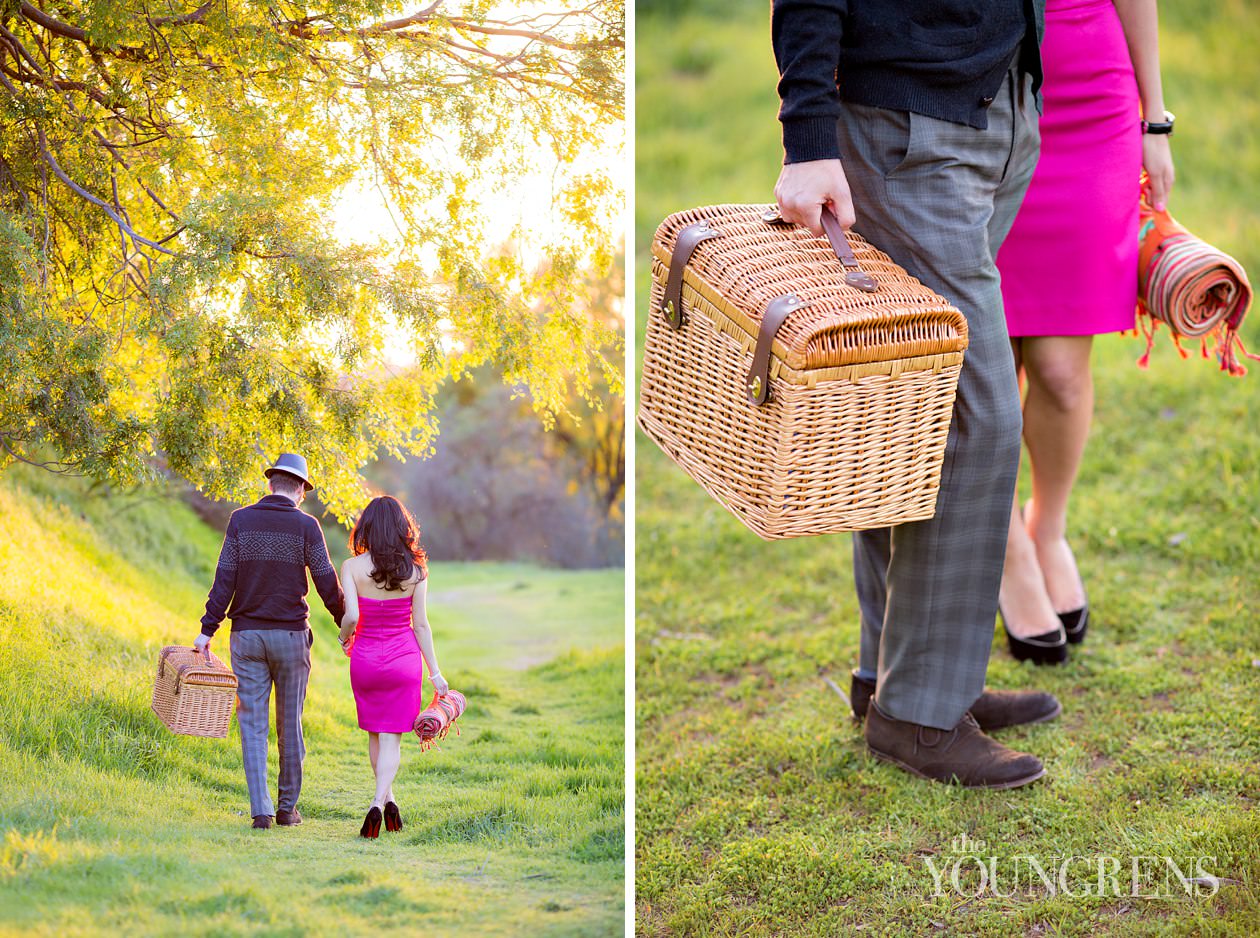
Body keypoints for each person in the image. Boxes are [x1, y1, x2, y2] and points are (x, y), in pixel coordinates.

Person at [771, 0, 1062, 788]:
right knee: (981, 419)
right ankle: (920, 714)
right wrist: (808, 137)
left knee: (915, 411)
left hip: (998, 110)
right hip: (907, 131)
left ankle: (895, 676)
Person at [995, 0, 1174, 664]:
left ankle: (1049, 529)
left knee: (1063, 376)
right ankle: (1006, 544)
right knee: (987, 366)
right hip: (979, 83)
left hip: (1091, 94)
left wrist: (1154, 118)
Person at [196, 453, 345, 829]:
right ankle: (287, 809)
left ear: (270, 484)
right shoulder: (307, 527)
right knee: (289, 723)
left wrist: (206, 630)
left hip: (246, 637)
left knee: (252, 724)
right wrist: (347, 624)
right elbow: (327, 582)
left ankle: (260, 810)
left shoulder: (240, 521)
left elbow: (224, 580)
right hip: (292, 637)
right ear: (300, 489)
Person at [337, 495, 449, 838]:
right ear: (403, 528)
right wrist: (435, 672)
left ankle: (386, 800)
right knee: (392, 739)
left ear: (367, 527)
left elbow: (352, 616)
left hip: (366, 659)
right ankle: (378, 800)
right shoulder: (416, 571)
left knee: (375, 730)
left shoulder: (352, 567)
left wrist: (345, 637)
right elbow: (421, 625)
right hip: (404, 661)